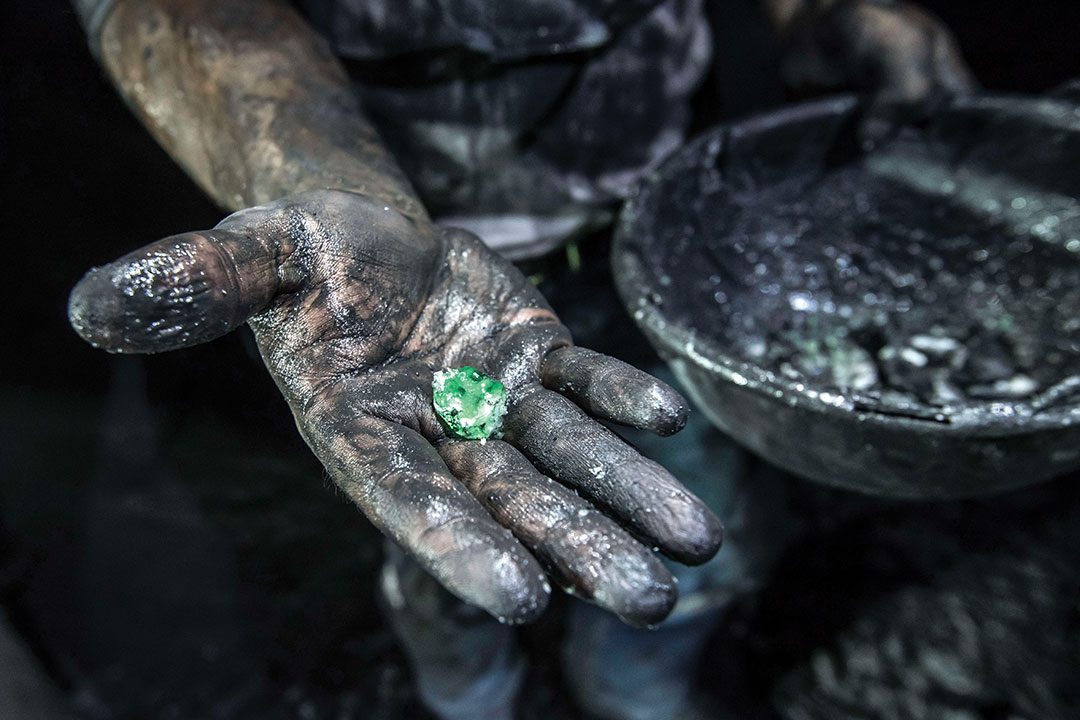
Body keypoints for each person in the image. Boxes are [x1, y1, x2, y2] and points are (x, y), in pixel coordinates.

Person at [67, 1, 973, 717]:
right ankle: (468, 699)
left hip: (649, 239)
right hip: (413, 289)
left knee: (697, 525)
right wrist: (333, 185)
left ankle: (633, 688)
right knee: (450, 562)